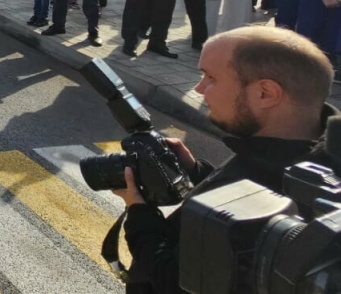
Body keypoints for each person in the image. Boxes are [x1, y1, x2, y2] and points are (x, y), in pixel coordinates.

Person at [114, 26, 339, 294]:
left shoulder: (270, 188)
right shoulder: (311, 158)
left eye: (211, 78)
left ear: (265, 93)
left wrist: (139, 212)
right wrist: (198, 173)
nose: (199, 89)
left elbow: (174, 281)